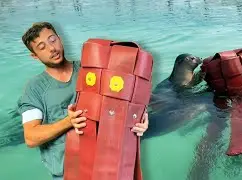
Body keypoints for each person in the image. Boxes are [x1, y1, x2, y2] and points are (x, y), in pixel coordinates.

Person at [17, 22, 149, 179]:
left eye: (52, 40)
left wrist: (140, 120)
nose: (52, 48)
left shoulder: (92, 69)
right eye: (42, 46)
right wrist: (68, 122)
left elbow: (120, 104)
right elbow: (30, 137)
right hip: (67, 174)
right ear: (35, 56)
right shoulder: (34, 88)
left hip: (107, 167)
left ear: (60, 39)